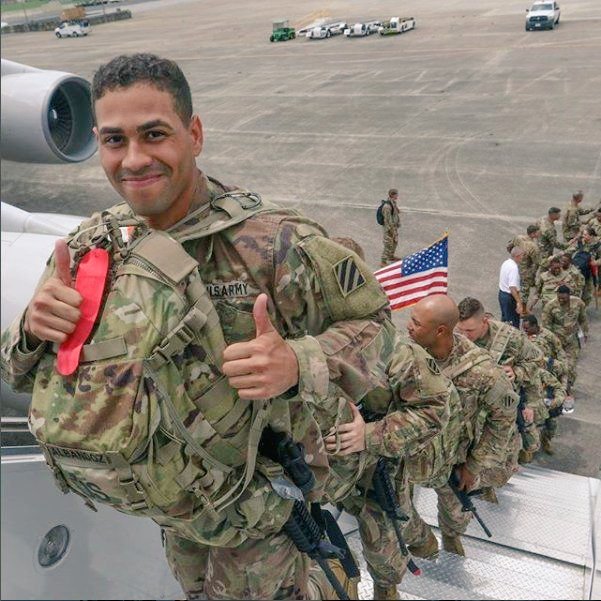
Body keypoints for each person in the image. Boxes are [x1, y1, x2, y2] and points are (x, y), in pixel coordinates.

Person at [0, 53, 397, 600]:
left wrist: (298, 362)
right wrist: (32, 329)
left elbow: (378, 325)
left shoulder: (274, 244)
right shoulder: (92, 246)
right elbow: (18, 372)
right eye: (114, 140)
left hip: (260, 513)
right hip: (171, 506)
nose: (134, 159)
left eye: (154, 134)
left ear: (194, 134)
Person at [402, 295, 517, 559]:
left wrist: (474, 465)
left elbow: (503, 420)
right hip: (411, 454)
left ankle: (451, 537)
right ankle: (423, 541)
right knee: (395, 510)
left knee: (456, 515)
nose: (408, 326)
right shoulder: (407, 353)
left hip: (453, 461)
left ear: (440, 331)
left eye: (416, 323)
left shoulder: (483, 371)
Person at [456, 297, 545, 466]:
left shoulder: (510, 337)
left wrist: (517, 372)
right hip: (467, 411)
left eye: (470, 330)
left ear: (484, 321)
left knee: (497, 462)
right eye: (461, 330)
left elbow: (537, 359)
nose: (465, 336)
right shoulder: (456, 337)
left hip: (499, 411)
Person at [522, 314, 567, 454]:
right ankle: (528, 448)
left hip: (548, 390)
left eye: (527, 328)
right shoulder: (522, 340)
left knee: (551, 423)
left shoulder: (552, 363)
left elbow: (562, 366)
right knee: (529, 423)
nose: (525, 331)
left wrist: (558, 399)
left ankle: (546, 440)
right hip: (532, 393)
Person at [542, 285, 589, 412]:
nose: (561, 300)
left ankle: (567, 390)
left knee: (570, 367)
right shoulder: (550, 306)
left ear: (569, 295)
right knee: (556, 367)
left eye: (564, 298)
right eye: (559, 298)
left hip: (572, 342)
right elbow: (546, 326)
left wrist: (585, 333)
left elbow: (583, 319)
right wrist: (548, 343)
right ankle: (555, 390)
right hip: (556, 342)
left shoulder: (578, 303)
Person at [566, 226, 601, 307]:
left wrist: (595, 262)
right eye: (583, 234)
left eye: (585, 235)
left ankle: (583, 308)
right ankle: (573, 307)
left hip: (589, 271)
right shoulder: (581, 241)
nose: (583, 236)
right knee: (574, 290)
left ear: (591, 236)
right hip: (577, 270)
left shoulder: (598, 245)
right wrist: (562, 255)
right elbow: (571, 250)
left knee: (587, 294)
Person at [508, 224, 541, 309]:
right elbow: (537, 262)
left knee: (514, 287)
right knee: (525, 292)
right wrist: (532, 273)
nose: (539, 233)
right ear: (533, 234)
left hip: (515, 267)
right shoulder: (533, 247)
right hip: (526, 272)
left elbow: (509, 247)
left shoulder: (518, 238)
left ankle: (513, 304)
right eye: (538, 232)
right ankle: (523, 309)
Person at [498, 246, 524, 327]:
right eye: (522, 255)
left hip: (502, 294)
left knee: (505, 319)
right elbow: (512, 288)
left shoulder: (506, 263)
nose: (523, 258)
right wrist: (519, 302)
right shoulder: (514, 268)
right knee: (512, 323)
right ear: (517, 256)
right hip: (509, 297)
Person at [379, 188, 401, 267]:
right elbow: (388, 221)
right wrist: (391, 231)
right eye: (396, 194)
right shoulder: (387, 207)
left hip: (394, 227)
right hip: (388, 229)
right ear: (392, 195)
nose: (397, 196)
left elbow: (395, 212)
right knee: (388, 244)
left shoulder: (393, 202)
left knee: (395, 242)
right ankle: (383, 261)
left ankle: (391, 256)